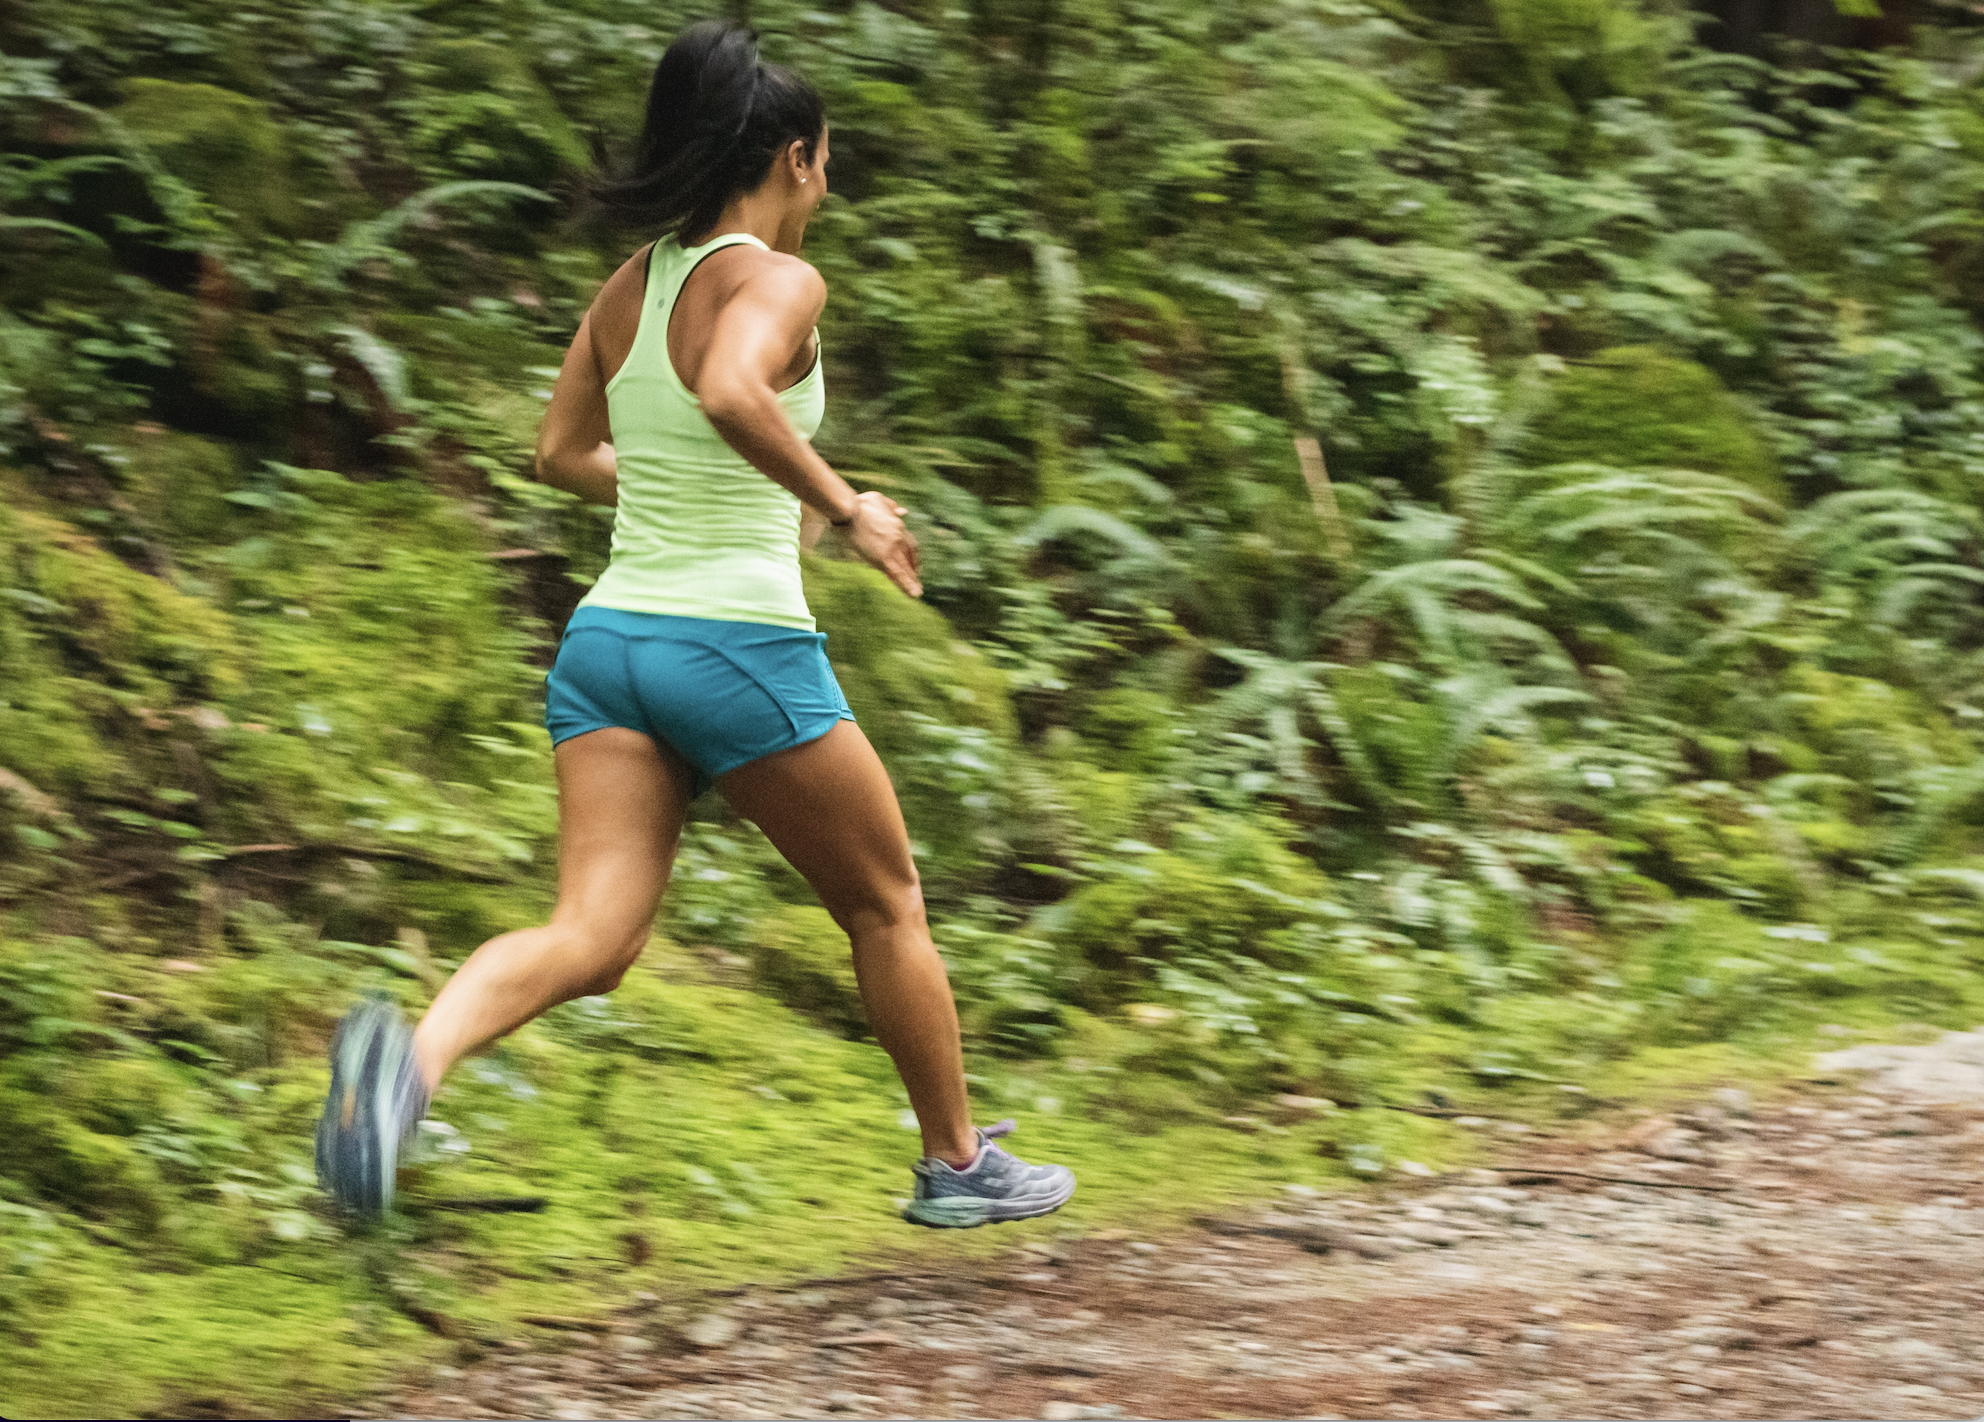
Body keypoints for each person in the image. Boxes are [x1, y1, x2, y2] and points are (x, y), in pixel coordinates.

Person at [314, 19, 1074, 1231]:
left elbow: (558, 455)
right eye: (824, 162)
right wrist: (847, 507)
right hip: (732, 646)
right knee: (886, 904)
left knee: (591, 936)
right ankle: (957, 1164)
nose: (825, 185)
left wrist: (717, 490)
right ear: (791, 158)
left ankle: (403, 1074)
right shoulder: (779, 280)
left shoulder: (632, 284)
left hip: (609, 646)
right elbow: (727, 387)